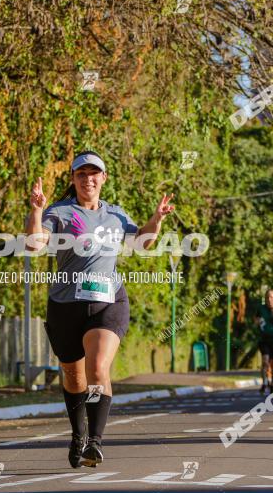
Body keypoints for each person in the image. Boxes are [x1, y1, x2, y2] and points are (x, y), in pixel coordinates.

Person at [25, 150, 173, 468]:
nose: (88, 179)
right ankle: (78, 436)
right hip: (65, 305)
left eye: (94, 174)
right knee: (73, 376)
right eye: (81, 174)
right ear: (74, 179)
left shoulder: (116, 216)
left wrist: (156, 220)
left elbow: (141, 243)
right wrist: (36, 212)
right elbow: (34, 244)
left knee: (97, 369)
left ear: (103, 178)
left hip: (108, 302)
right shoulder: (60, 212)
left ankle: (95, 441)